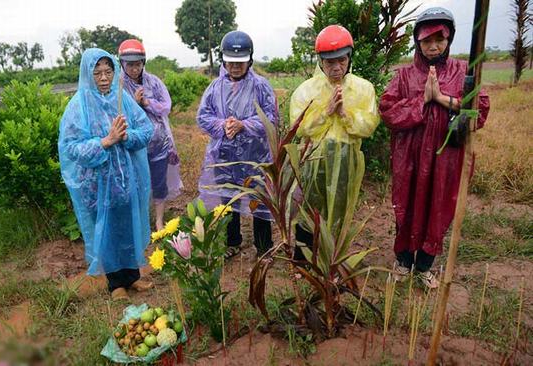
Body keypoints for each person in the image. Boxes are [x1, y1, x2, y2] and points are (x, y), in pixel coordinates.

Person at [379, 7, 490, 288]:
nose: (433, 46)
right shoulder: (404, 75)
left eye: (439, 40)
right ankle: (404, 261)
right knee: (406, 204)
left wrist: (441, 98)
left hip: (447, 156)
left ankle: (425, 266)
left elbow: (480, 109)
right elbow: (388, 111)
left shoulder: (464, 71)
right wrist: (420, 101)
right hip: (409, 156)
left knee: (438, 205)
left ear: (449, 39)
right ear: (417, 41)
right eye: (427, 40)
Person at [58, 48, 154, 301]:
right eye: (97, 72)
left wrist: (127, 136)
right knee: (108, 229)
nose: (103, 77)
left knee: (127, 225)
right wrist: (105, 141)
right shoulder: (78, 106)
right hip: (96, 184)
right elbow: (71, 148)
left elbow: (146, 128)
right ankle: (115, 284)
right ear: (88, 75)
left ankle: (132, 276)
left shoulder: (122, 98)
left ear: (114, 72)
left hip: (126, 179)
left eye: (108, 71)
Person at [290, 25, 379, 260]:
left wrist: (344, 114)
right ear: (320, 61)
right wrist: (326, 112)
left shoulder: (363, 89)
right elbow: (299, 128)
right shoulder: (305, 90)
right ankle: (302, 260)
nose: (336, 67)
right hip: (314, 159)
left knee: (339, 210)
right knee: (309, 208)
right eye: (330, 62)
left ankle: (331, 263)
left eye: (341, 60)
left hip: (346, 160)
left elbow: (368, 126)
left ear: (350, 58)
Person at [197, 30, 278, 259]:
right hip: (224, 158)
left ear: (250, 60)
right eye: (231, 61)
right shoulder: (214, 88)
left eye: (240, 62)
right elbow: (203, 117)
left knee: (259, 201)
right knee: (227, 199)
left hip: (256, 157)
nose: (235, 66)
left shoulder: (261, 86)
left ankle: (263, 248)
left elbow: (271, 119)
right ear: (223, 60)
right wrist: (223, 125)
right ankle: (232, 242)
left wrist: (244, 125)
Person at [118, 39, 183, 231]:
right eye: (129, 64)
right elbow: (117, 112)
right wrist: (134, 105)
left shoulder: (154, 82)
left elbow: (166, 107)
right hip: (133, 146)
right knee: (135, 184)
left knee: (159, 182)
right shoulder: (119, 86)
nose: (134, 69)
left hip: (159, 145)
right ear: (122, 64)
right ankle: (140, 222)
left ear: (143, 62)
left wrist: (147, 103)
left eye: (137, 64)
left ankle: (159, 220)